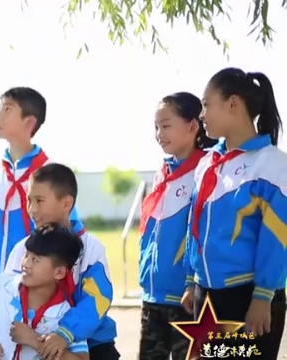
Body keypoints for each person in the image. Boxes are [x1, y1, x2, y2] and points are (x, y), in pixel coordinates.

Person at [182, 68, 287, 360]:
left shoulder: (273, 165)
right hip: (207, 298)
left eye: (206, 104)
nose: (201, 114)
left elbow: (278, 236)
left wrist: (263, 296)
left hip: (250, 296)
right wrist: (192, 280)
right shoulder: (207, 164)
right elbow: (196, 224)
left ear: (233, 104)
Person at [0, 87, 85, 292]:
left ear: (29, 122)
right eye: (0, 109)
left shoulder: (51, 173)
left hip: (35, 287)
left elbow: (67, 227)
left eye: (8, 110)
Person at [3, 163, 119, 359]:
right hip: (35, 341)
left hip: (94, 343)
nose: (32, 209)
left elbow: (96, 300)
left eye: (40, 200)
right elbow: (6, 298)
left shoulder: (92, 249)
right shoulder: (22, 250)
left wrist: (64, 334)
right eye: (29, 200)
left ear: (66, 203)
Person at [137, 92, 216, 360]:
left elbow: (201, 235)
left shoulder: (205, 171)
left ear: (193, 126)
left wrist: (191, 283)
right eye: (156, 126)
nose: (159, 133)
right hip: (153, 296)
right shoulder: (163, 172)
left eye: (166, 125)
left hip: (185, 297)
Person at [0, 224, 89, 360]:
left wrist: (35, 341)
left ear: (59, 272)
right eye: (26, 254)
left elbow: (81, 358)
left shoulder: (65, 315)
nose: (25, 263)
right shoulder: (1, 285)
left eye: (35, 260)